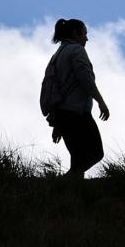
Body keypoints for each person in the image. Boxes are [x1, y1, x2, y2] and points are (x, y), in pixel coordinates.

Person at [44, 18, 110, 179]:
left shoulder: (57, 56)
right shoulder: (77, 50)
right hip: (77, 113)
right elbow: (85, 78)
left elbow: (56, 89)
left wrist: (57, 123)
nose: (86, 38)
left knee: (78, 156)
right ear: (75, 33)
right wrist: (101, 101)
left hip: (62, 115)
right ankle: (66, 182)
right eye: (85, 34)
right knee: (95, 153)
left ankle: (71, 193)